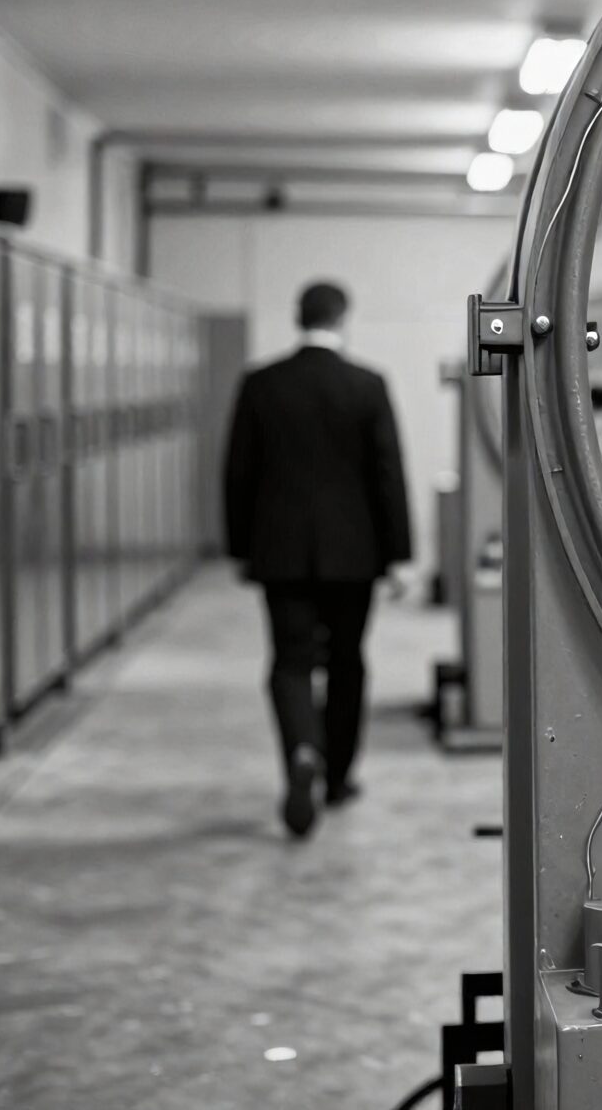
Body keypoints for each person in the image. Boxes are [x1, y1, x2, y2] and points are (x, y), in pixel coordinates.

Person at [223, 281, 412, 838]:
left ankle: (302, 753)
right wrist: (398, 555)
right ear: (342, 318)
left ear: (296, 317)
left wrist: (240, 548)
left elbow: (238, 473)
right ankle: (337, 776)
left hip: (279, 553)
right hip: (355, 556)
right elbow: (388, 473)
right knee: (347, 661)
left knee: (290, 662)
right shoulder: (367, 385)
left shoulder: (261, 384)